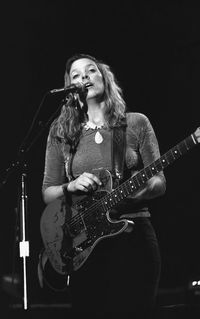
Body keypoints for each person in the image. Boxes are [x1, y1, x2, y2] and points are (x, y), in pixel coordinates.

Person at [39, 53, 166, 318]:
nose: (84, 77)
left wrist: (143, 189)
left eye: (91, 71)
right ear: (70, 88)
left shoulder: (136, 123)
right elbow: (48, 191)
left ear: (104, 78)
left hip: (134, 235)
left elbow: (159, 180)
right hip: (85, 246)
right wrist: (70, 187)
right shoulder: (60, 132)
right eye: (76, 75)